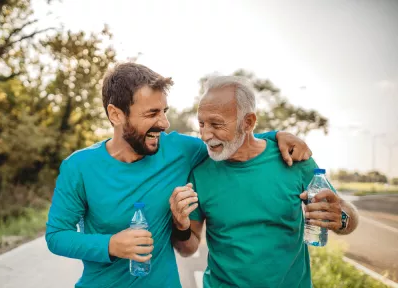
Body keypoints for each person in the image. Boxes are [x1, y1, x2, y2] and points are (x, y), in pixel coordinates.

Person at [45, 63, 313, 288]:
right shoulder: (79, 167)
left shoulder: (180, 150)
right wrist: (111, 244)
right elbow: (57, 235)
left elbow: (235, 142)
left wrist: (276, 137)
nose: (163, 123)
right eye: (151, 113)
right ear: (116, 114)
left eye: (164, 111)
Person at [170, 75, 359, 288]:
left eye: (216, 124)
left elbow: (347, 217)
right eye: (202, 123)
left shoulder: (294, 160)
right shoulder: (200, 173)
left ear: (248, 122)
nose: (204, 135)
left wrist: (341, 218)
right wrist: (181, 226)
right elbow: (189, 248)